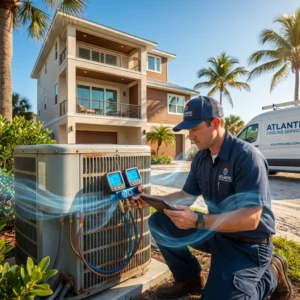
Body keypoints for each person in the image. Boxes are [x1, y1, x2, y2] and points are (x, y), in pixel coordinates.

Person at [131, 96, 293, 300]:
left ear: (215, 123)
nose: (190, 136)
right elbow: (185, 195)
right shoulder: (201, 157)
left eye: (195, 129)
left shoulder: (247, 157)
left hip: (248, 244)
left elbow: (252, 218)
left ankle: (273, 272)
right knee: (161, 221)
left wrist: (198, 221)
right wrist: (149, 199)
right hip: (216, 233)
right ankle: (189, 279)